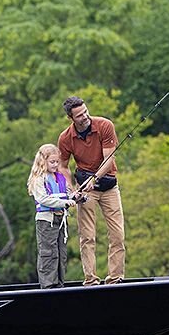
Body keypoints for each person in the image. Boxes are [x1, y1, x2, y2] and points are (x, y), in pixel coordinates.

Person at [58, 96, 125, 285]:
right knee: (87, 236)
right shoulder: (65, 138)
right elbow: (63, 166)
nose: (85, 117)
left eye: (86, 111)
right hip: (85, 190)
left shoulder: (104, 125)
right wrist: (72, 189)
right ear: (71, 118)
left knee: (117, 234)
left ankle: (115, 278)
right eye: (79, 115)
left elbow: (109, 158)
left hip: (108, 186)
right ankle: (91, 279)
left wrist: (94, 178)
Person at [27, 143, 78, 289]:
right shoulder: (39, 179)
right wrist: (65, 202)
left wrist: (75, 197)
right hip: (46, 221)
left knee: (61, 253)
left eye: (57, 162)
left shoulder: (60, 177)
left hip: (60, 220)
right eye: (52, 162)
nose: (56, 165)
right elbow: (43, 199)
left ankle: (60, 284)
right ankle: (48, 286)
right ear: (43, 162)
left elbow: (68, 194)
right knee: (48, 253)